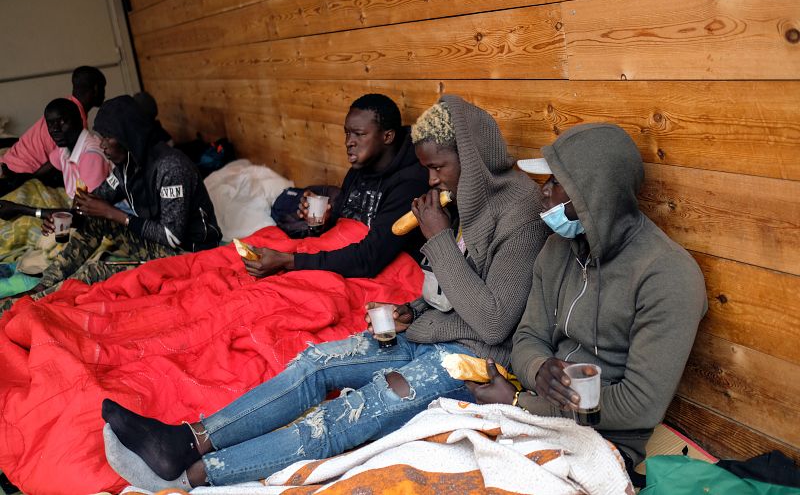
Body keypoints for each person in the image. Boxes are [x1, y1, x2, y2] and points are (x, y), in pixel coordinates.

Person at [100, 94, 549, 490]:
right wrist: (410, 307)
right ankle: (187, 441)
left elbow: (494, 322)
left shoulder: (519, 213)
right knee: (315, 363)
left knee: (347, 416)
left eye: (437, 167)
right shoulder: (463, 196)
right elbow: (455, 287)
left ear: (470, 157)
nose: (431, 180)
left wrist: (438, 238)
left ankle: (192, 476)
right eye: (428, 168)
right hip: (430, 333)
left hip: (472, 360)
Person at [466, 123, 707, 479]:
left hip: (602, 440)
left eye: (555, 184)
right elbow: (528, 337)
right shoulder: (557, 248)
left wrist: (524, 403)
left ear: (592, 193)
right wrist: (537, 369)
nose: (542, 195)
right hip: (535, 414)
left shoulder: (667, 275)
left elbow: (638, 405)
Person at [31, 95, 221, 294]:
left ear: (127, 135)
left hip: (190, 255)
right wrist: (67, 217)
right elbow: (96, 200)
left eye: (107, 137)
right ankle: (43, 285)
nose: (102, 145)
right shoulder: (127, 166)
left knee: (92, 273)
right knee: (97, 220)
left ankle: (32, 302)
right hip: (160, 247)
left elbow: (172, 236)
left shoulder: (170, 167)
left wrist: (114, 214)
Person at [243, 93, 430, 278]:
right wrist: (319, 222)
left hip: (377, 270)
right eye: (347, 133)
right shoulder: (360, 168)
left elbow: (370, 258)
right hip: (339, 254)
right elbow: (342, 223)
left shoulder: (410, 184)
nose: (349, 142)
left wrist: (289, 261)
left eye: (359, 134)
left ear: (387, 136)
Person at [0, 98, 110, 223]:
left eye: (62, 122)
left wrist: (22, 209)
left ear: (80, 120)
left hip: (97, 221)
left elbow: (84, 216)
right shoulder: (64, 149)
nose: (55, 129)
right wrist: (13, 176)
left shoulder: (90, 157)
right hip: (78, 212)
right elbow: (37, 175)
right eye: (50, 124)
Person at [0, 66, 106, 195]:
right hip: (19, 174)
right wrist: (29, 178)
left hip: (9, 163)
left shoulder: (62, 107)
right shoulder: (73, 120)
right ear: (96, 89)